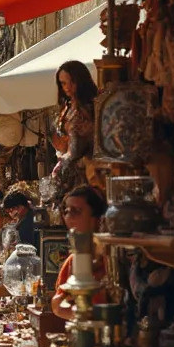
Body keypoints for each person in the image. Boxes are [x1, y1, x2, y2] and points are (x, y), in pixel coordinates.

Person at [50, 186, 109, 320]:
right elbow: (57, 304)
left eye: (76, 211)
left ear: (97, 218)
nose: (69, 217)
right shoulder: (72, 261)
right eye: (67, 211)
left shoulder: (112, 257)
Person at [52, 61, 99, 186]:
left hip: (88, 173)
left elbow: (77, 149)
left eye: (71, 82)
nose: (67, 87)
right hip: (70, 172)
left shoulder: (88, 108)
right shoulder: (67, 108)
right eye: (63, 83)